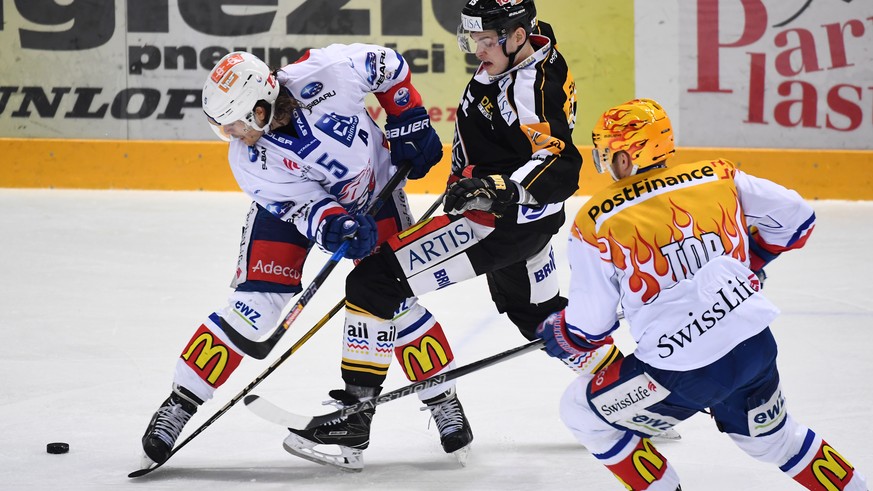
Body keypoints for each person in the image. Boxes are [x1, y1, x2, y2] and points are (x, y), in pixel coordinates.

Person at [283, 0, 628, 472]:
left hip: (497, 221)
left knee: (373, 283)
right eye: (475, 39)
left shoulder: (531, 83)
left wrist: (495, 186)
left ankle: (352, 422)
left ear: (519, 35)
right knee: (538, 316)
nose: (478, 50)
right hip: (527, 221)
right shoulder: (526, 53)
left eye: (489, 40)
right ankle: (630, 390)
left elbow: (562, 163)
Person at [534, 98, 868, 490]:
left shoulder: (596, 220)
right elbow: (797, 219)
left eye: (608, 151)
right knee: (778, 441)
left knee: (581, 412)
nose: (606, 161)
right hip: (753, 347)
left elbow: (592, 324)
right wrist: (752, 260)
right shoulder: (717, 175)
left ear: (626, 157)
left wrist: (565, 334)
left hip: (680, 371)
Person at [137, 45, 444, 468]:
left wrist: (407, 114)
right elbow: (302, 206)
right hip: (289, 213)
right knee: (255, 310)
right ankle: (180, 403)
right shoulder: (249, 160)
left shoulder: (327, 72)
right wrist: (333, 225)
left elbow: (388, 65)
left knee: (395, 301)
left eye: (236, 125)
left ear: (261, 107)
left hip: (375, 191)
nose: (235, 136)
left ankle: (441, 396)